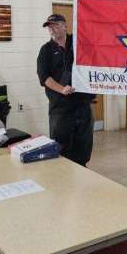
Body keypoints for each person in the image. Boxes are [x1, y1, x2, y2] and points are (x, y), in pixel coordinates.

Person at [37, 13, 95, 166]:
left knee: (83, 147)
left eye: (55, 25)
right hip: (60, 109)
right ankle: (64, 176)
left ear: (65, 26)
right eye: (49, 27)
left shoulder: (79, 43)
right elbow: (45, 78)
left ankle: (82, 169)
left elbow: (93, 37)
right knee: (62, 150)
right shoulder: (46, 50)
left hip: (83, 105)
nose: (52, 29)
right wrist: (62, 89)